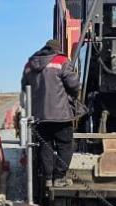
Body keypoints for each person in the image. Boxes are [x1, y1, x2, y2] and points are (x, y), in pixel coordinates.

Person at [21, 38, 80, 187]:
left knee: (45, 146)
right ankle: (59, 177)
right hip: (60, 116)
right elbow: (73, 85)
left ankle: (48, 178)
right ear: (57, 49)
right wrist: (74, 96)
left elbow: (25, 87)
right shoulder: (61, 61)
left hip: (39, 116)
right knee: (65, 145)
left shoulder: (30, 64)